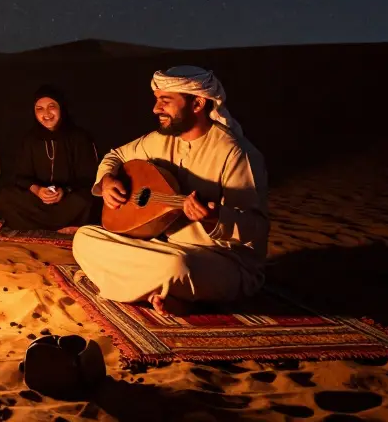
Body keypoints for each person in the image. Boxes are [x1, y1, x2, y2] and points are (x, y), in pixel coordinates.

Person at [72, 66, 269, 316]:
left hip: (222, 260)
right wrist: (108, 179)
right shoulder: (160, 140)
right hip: (163, 246)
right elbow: (116, 155)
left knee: (175, 267)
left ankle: (146, 287)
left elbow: (256, 227)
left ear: (197, 103)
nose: (155, 109)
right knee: (85, 238)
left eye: (165, 101)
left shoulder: (236, 153)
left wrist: (214, 217)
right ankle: (167, 293)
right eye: (156, 101)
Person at [0, 85, 99, 230]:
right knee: (6, 195)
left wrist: (65, 191)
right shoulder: (30, 139)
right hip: (39, 201)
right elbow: (21, 176)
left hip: (67, 200)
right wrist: (38, 190)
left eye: (52, 106)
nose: (46, 113)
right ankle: (62, 227)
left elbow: (88, 177)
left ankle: (42, 226)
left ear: (61, 109)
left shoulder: (79, 137)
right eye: (40, 108)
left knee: (87, 199)